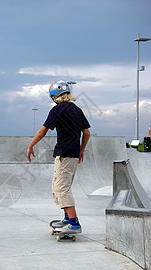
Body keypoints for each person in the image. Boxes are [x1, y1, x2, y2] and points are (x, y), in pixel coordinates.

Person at [27, 80, 90, 233]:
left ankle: (74, 223)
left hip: (64, 154)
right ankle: (68, 218)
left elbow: (42, 132)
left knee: (62, 188)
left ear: (55, 96)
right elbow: (86, 132)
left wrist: (30, 146)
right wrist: (81, 150)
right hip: (73, 154)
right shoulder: (77, 110)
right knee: (58, 187)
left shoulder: (57, 110)